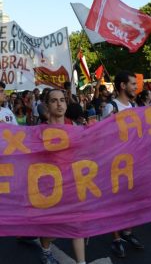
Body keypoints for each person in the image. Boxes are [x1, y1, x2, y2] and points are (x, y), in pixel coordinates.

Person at [40, 89, 86, 264]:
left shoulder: (73, 127)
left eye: (62, 100)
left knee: (76, 224)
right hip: (49, 186)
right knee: (52, 228)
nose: (59, 104)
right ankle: (45, 250)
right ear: (47, 105)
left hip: (72, 182)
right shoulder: (40, 131)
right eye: (54, 101)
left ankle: (81, 262)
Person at [103, 71, 144, 258]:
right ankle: (117, 238)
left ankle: (127, 232)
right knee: (116, 201)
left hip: (133, 160)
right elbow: (102, 135)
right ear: (122, 86)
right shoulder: (111, 107)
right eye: (133, 84)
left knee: (131, 199)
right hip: (115, 162)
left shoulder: (134, 105)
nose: (136, 87)